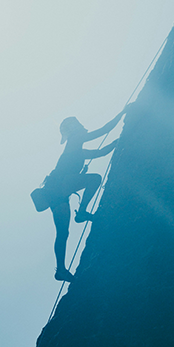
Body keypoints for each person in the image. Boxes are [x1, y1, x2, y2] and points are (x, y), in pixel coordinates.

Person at [30, 106, 128, 282]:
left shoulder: (77, 148)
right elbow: (104, 130)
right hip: (62, 186)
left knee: (63, 234)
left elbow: (102, 151)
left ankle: (61, 269)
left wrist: (118, 141)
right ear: (74, 128)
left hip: (58, 194)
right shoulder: (75, 140)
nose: (82, 126)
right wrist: (122, 114)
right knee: (94, 179)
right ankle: (82, 212)